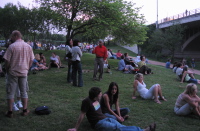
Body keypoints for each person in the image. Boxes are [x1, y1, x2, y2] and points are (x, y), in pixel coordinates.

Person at [67, 87, 156, 131]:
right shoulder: (86, 101)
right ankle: (143, 130)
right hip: (98, 123)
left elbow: (101, 110)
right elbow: (82, 114)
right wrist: (76, 128)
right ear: (95, 96)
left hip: (105, 118)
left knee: (122, 127)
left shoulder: (98, 100)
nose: (101, 95)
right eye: (100, 94)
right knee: (118, 128)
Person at [3, 30, 34, 118]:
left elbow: (7, 60)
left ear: (16, 36)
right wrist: (27, 68)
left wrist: (7, 68)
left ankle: (10, 112)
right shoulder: (28, 46)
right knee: (24, 92)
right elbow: (31, 60)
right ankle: (24, 110)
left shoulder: (12, 46)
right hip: (24, 72)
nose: (11, 38)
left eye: (12, 36)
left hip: (13, 72)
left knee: (10, 92)